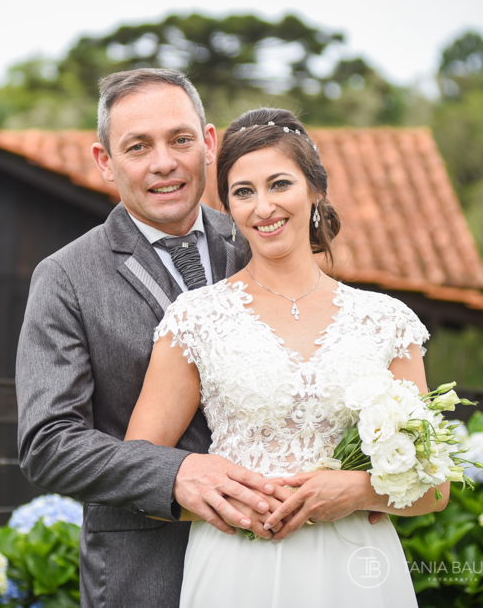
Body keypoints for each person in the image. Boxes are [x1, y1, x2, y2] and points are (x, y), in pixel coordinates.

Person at [125, 107, 448, 607]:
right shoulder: (195, 319)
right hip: (236, 567)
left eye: (279, 184)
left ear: (315, 190)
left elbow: (436, 487)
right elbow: (139, 472)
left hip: (355, 569)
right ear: (229, 207)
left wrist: (358, 491)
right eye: (243, 192)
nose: (263, 207)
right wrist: (232, 504)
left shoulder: (387, 322)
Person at [16, 70, 294, 607]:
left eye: (179, 140)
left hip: (282, 560)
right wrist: (175, 473)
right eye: (138, 147)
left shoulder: (262, 240)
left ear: (208, 144)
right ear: (105, 161)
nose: (163, 163)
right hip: (147, 572)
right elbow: (47, 443)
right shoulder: (66, 278)